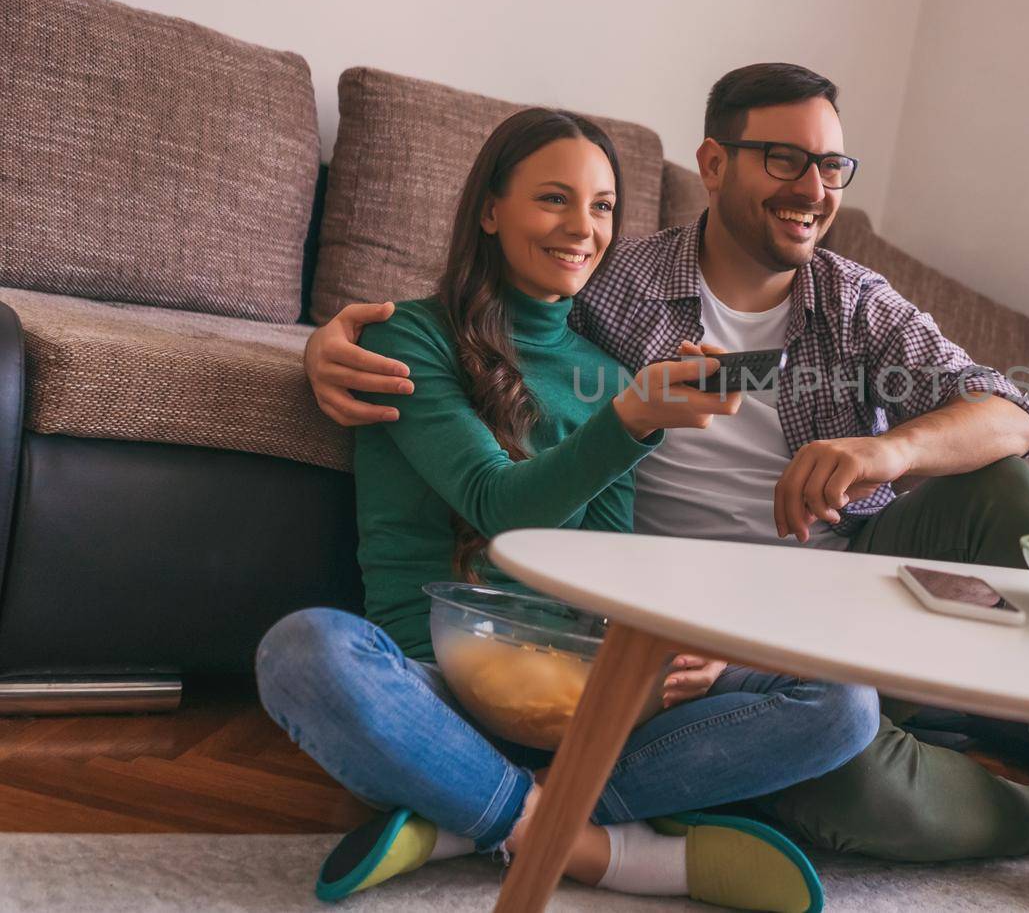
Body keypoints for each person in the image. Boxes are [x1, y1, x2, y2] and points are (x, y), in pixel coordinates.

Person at [304, 65, 1029, 910]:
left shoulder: (852, 300)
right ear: (713, 165)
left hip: (838, 610)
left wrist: (886, 453)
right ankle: (596, 837)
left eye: (831, 166)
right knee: (834, 761)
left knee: (1006, 491)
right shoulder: (612, 293)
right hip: (678, 635)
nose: (813, 189)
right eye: (783, 160)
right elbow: (488, 325)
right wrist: (319, 344)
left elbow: (1009, 411)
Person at [257, 107, 879, 911]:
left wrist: (678, 649)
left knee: (842, 698)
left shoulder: (610, 370)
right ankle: (603, 849)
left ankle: (467, 815)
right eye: (554, 199)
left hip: (575, 694)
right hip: (438, 682)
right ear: (491, 209)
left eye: (602, 206)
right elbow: (495, 504)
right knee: (303, 650)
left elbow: (603, 570)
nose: (582, 228)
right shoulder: (412, 339)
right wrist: (630, 423)